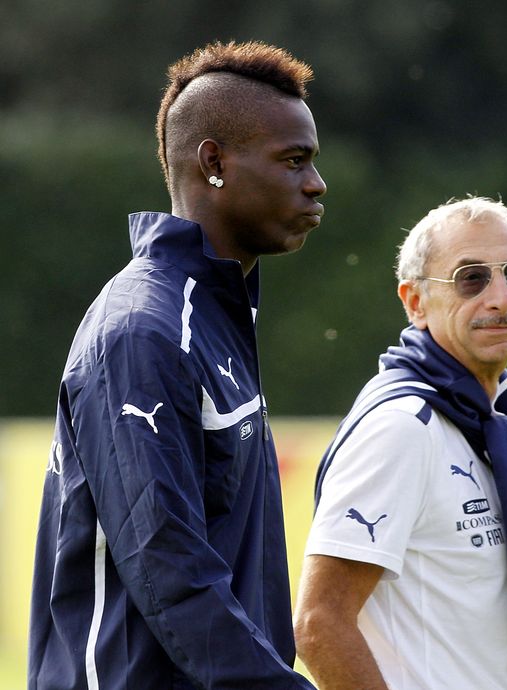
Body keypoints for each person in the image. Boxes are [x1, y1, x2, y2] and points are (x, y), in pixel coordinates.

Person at [28, 40, 325, 690]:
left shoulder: (216, 313)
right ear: (213, 163)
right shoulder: (143, 330)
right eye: (293, 160)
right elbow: (168, 567)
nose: (315, 183)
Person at [293, 197, 507, 690]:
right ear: (415, 302)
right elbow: (319, 623)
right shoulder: (403, 427)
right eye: (471, 278)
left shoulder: (495, 419)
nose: (502, 298)